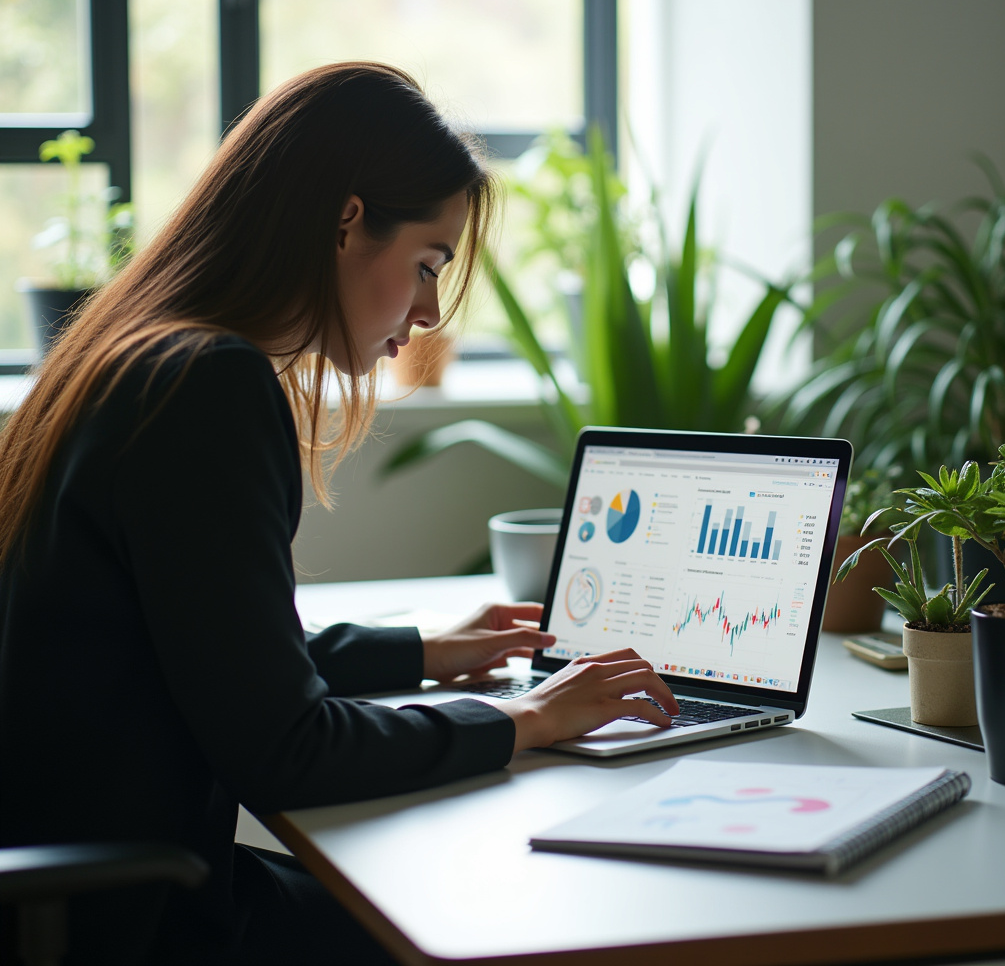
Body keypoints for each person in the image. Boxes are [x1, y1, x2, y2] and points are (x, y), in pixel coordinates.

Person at [0, 62, 679, 965]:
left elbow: (202, 656)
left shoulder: (130, 356)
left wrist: (425, 653)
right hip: (139, 924)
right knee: (500, 927)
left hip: (83, 885)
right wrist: (530, 719)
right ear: (347, 221)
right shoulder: (207, 386)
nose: (430, 311)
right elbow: (286, 748)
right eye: (429, 264)